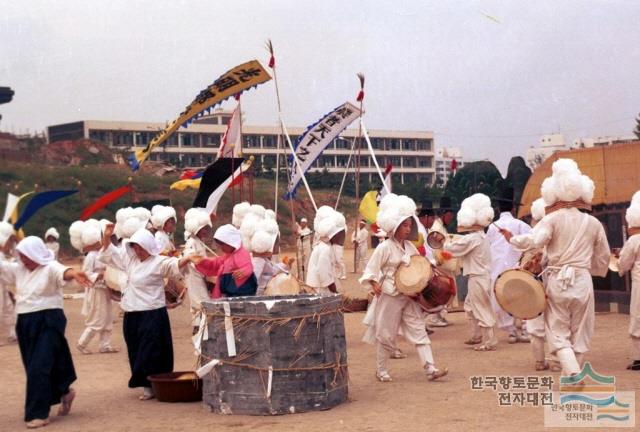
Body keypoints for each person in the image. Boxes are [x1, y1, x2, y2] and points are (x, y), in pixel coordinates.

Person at [500, 158, 610, 376]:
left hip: (558, 280)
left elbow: (533, 241)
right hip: (582, 280)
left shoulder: (552, 219)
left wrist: (512, 240)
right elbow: (604, 256)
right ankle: (572, 374)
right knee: (580, 332)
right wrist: (594, 271)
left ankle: (571, 373)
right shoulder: (594, 223)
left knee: (558, 332)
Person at [0, 236, 90, 428]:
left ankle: (38, 413)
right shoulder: (19, 269)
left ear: (35, 254)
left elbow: (63, 271)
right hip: (24, 321)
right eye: (21, 256)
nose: (23, 260)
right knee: (38, 363)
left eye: (26, 256)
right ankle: (64, 391)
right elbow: (2, 267)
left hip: (49, 319)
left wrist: (74, 274)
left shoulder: (50, 267)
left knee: (39, 366)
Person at [361, 194, 448, 382]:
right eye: (405, 225)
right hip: (390, 295)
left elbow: (420, 264)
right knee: (385, 333)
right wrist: (374, 284)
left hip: (409, 295)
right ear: (395, 227)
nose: (408, 229)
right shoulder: (384, 248)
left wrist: (435, 262)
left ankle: (430, 368)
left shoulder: (410, 247)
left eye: (410, 225)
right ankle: (381, 370)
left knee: (418, 329)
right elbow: (371, 269)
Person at [98, 225, 191, 400]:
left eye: (140, 247)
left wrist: (188, 258)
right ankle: (145, 384)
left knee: (152, 351)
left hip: (152, 313)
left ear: (148, 246)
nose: (137, 250)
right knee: (136, 349)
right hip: (132, 313)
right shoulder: (130, 260)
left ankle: (155, 383)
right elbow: (110, 254)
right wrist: (107, 237)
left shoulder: (158, 262)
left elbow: (173, 265)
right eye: (135, 247)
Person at [510, 198, 560, 371]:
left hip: (532, 280)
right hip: (553, 279)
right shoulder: (557, 227)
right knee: (555, 322)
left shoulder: (534, 232)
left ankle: (539, 361)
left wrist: (512, 239)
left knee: (534, 320)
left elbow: (520, 243)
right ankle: (556, 361)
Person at [444, 193, 497, 351]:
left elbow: (454, 248)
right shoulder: (481, 237)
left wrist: (444, 241)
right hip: (480, 277)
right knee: (469, 306)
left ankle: (489, 341)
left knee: (481, 307)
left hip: (478, 277)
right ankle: (476, 335)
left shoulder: (474, 238)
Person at [487, 187, 532, 343]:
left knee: (502, 298)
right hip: (516, 267)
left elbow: (488, 248)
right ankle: (525, 329)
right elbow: (531, 243)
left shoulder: (492, 227)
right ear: (513, 207)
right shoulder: (520, 225)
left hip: (497, 269)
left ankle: (511, 331)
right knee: (523, 298)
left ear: (498, 208)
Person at [70, 220, 118, 355]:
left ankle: (105, 345)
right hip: (97, 289)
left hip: (107, 288)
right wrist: (99, 275)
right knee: (97, 318)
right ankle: (82, 343)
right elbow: (86, 273)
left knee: (108, 317)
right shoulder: (91, 256)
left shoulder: (104, 252)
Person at [186, 224, 256, 298]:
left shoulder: (241, 254)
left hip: (239, 295)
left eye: (222, 244)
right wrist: (201, 261)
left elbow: (248, 266)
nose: (220, 247)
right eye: (218, 244)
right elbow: (215, 264)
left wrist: (245, 271)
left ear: (230, 242)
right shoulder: (228, 256)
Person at [615, 191, 640, 371]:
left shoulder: (633, 240)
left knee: (638, 319)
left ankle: (639, 358)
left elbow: (624, 263)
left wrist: (619, 261)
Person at [426, 196, 457, 328]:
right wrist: (438, 260)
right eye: (449, 215)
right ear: (444, 214)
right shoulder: (436, 227)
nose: (451, 218)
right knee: (440, 290)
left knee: (446, 290)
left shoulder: (440, 226)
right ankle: (434, 317)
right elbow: (434, 245)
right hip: (439, 263)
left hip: (444, 262)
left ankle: (439, 315)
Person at [182, 208, 213, 330]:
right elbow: (189, 257)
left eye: (206, 228)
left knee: (201, 301)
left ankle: (200, 327)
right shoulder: (191, 242)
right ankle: (198, 328)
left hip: (200, 276)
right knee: (199, 302)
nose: (205, 231)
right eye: (203, 229)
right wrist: (204, 267)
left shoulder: (199, 241)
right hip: (194, 276)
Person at [306, 207, 346, 295]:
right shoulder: (325, 249)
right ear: (331, 235)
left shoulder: (326, 247)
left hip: (323, 285)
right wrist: (333, 288)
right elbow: (322, 271)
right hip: (321, 288)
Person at [0, 221, 18, 344]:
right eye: (9, 241)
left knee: (8, 308)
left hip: (2, 285)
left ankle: (13, 333)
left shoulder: (1, 254)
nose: (10, 244)